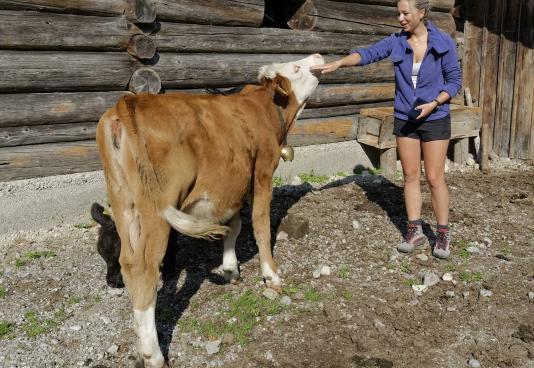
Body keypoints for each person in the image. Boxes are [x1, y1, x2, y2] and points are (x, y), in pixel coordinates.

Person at [312, 0, 462, 259]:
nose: (400, 18)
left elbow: (455, 80)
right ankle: (413, 231)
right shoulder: (396, 41)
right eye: (398, 13)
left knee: (435, 178)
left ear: (421, 12)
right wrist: (338, 63)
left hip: (435, 116)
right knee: (411, 175)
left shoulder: (443, 42)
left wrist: (435, 102)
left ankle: (442, 235)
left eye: (406, 13)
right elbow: (367, 54)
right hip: (405, 117)